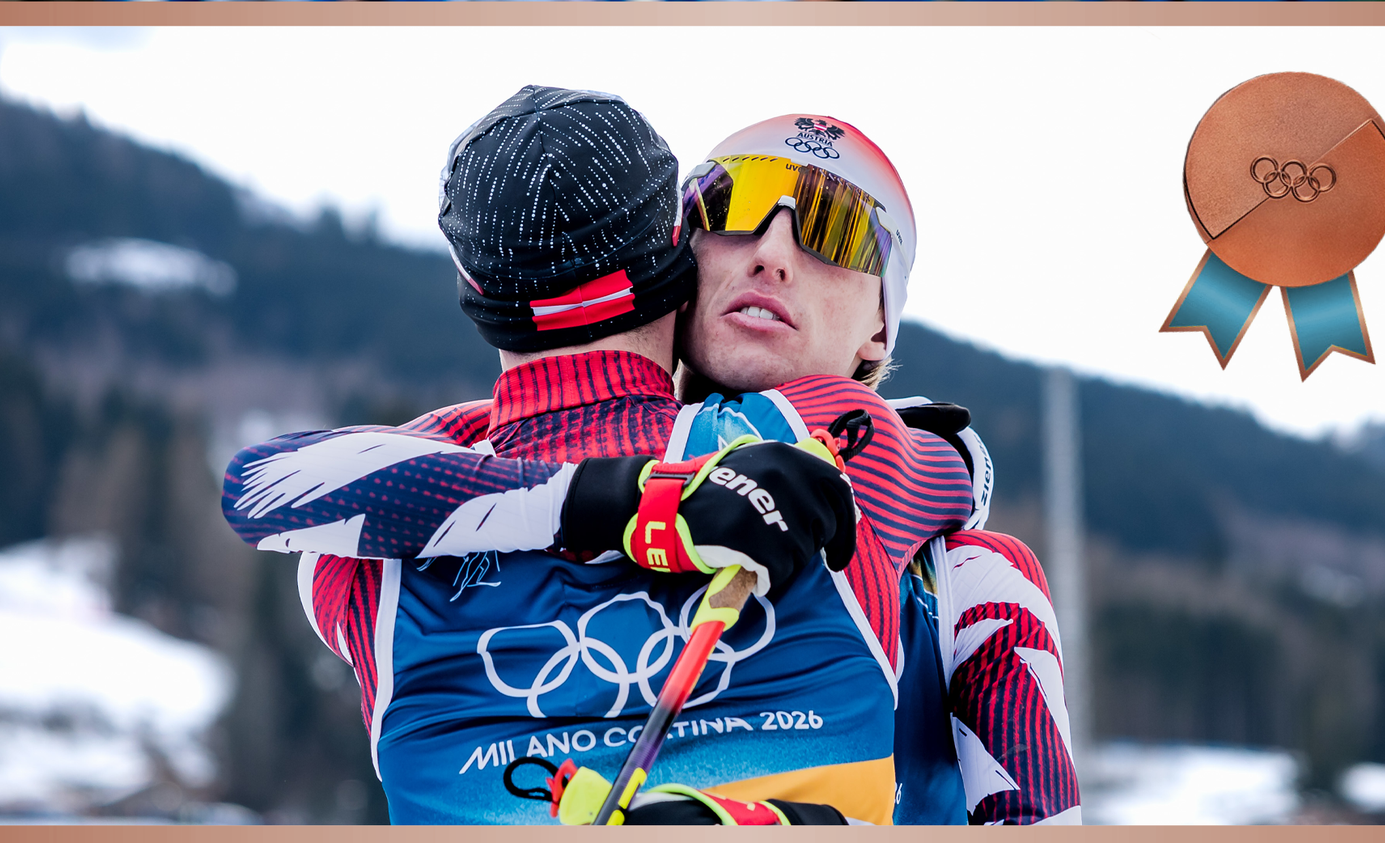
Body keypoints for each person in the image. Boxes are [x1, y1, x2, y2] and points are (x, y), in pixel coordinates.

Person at [224, 88, 1078, 824]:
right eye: (731, 208)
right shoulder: (431, 468)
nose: (773, 253)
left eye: (836, 230)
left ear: (880, 330)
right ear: (676, 255)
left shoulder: (870, 457)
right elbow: (264, 485)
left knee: (982, 574)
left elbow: (270, 488)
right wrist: (637, 500)